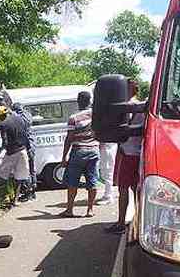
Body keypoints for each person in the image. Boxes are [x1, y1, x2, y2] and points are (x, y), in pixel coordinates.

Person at [106, 79, 144, 234]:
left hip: (127, 152)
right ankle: (138, 220)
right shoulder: (142, 106)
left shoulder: (127, 107)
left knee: (123, 189)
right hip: (138, 152)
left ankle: (121, 223)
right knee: (136, 189)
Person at [60, 91, 100, 218]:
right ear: (90, 101)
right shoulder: (96, 116)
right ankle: (90, 210)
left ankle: (70, 210)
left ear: (78, 102)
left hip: (78, 151)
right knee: (92, 181)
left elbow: (69, 138)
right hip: (94, 151)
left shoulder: (74, 118)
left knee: (72, 182)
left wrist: (64, 156)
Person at [0, 106, 31, 205]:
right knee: (19, 178)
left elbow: (5, 141)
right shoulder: (20, 119)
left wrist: (1, 151)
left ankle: (2, 198)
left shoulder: (3, 124)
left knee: (3, 175)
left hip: (11, 152)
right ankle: (15, 200)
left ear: (2, 115)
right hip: (23, 151)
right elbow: (26, 134)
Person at [12, 103, 37, 201]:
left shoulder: (18, 119)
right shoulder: (28, 116)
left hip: (25, 146)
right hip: (32, 145)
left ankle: (28, 193)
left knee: (25, 170)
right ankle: (33, 193)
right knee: (32, 169)